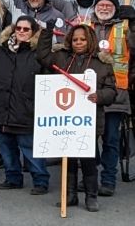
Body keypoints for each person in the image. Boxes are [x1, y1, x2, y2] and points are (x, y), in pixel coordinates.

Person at [37, 23, 117, 212]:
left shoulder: (102, 63)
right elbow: (42, 56)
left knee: (88, 160)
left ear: (90, 40)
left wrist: (100, 96)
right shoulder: (62, 57)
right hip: (66, 120)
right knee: (69, 159)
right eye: (75, 40)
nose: (78, 43)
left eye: (82, 39)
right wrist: (47, 32)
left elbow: (111, 91)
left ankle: (91, 196)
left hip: (89, 122)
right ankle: (70, 195)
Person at [0, 16, 49, 194]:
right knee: (6, 147)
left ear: (33, 32)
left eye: (26, 29)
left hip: (26, 109)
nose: (21, 32)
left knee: (30, 149)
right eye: (18, 28)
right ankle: (12, 178)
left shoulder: (38, 53)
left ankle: (40, 180)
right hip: (1, 107)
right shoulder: (0, 50)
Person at [85, 0, 132, 197]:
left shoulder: (126, 27)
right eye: (101, 4)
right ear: (95, 7)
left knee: (111, 141)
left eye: (109, 4)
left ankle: (108, 181)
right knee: (89, 140)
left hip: (116, 94)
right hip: (88, 93)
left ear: (115, 7)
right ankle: (91, 179)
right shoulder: (85, 25)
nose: (104, 7)